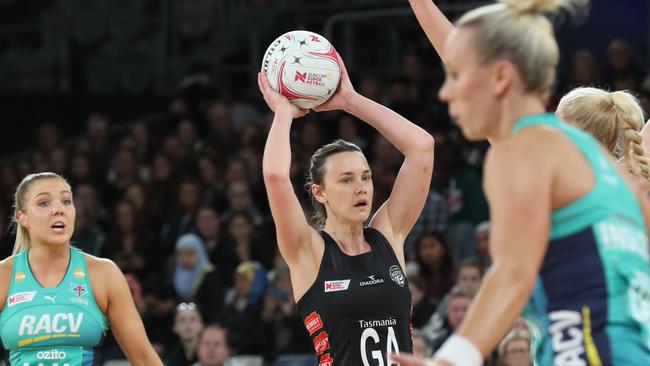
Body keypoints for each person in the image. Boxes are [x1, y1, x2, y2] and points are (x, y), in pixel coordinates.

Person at [393, 0, 650, 365]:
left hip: (590, 351)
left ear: (500, 77)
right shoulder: (611, 173)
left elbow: (514, 273)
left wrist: (451, 358)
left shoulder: (528, 150)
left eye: (456, 75)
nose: (444, 93)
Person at [258, 46, 435, 364]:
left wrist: (349, 101)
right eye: (346, 179)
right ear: (320, 192)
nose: (361, 188)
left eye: (365, 177)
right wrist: (283, 112)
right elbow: (274, 175)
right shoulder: (308, 250)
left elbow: (422, 147)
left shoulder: (387, 234)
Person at [0, 172, 162, 365]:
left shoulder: (104, 274)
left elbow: (144, 359)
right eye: (44, 203)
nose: (59, 209)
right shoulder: (4, 275)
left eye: (66, 201)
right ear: (23, 217)